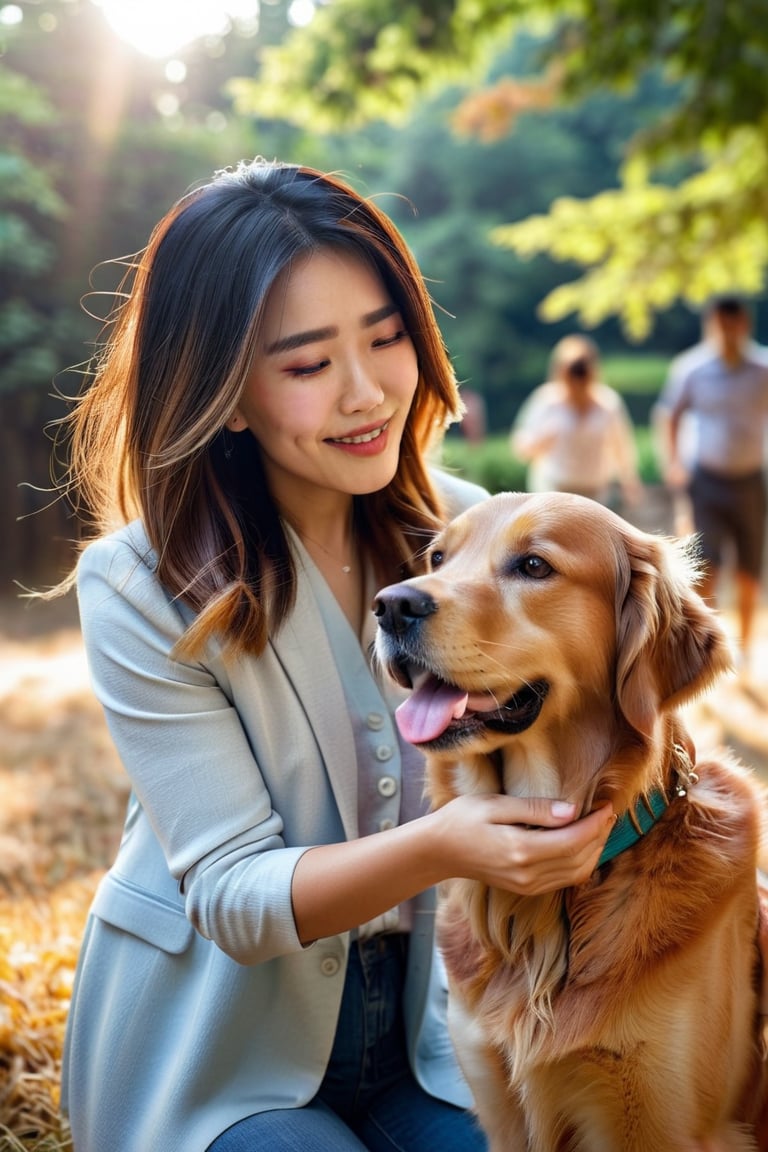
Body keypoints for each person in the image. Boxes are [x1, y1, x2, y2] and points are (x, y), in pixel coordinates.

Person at [53, 159, 618, 1152]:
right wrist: (448, 846)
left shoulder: (471, 532)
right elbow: (235, 895)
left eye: (387, 337)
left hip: (434, 1032)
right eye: (309, 366)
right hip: (221, 1050)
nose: (367, 395)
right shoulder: (136, 582)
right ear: (226, 395)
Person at [658, 294, 768, 670]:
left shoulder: (762, 369)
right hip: (705, 481)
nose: (727, 333)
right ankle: (707, 647)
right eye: (720, 325)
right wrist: (673, 461)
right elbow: (669, 415)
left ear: (745, 325)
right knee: (707, 565)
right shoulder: (692, 369)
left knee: (749, 569)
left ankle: (748, 648)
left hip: (751, 481)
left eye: (733, 325)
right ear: (711, 326)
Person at [511, 334, 641, 510]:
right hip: (554, 493)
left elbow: (622, 446)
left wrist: (629, 480)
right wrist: (543, 440)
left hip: (596, 494)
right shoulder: (546, 401)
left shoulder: (608, 403)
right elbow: (521, 447)